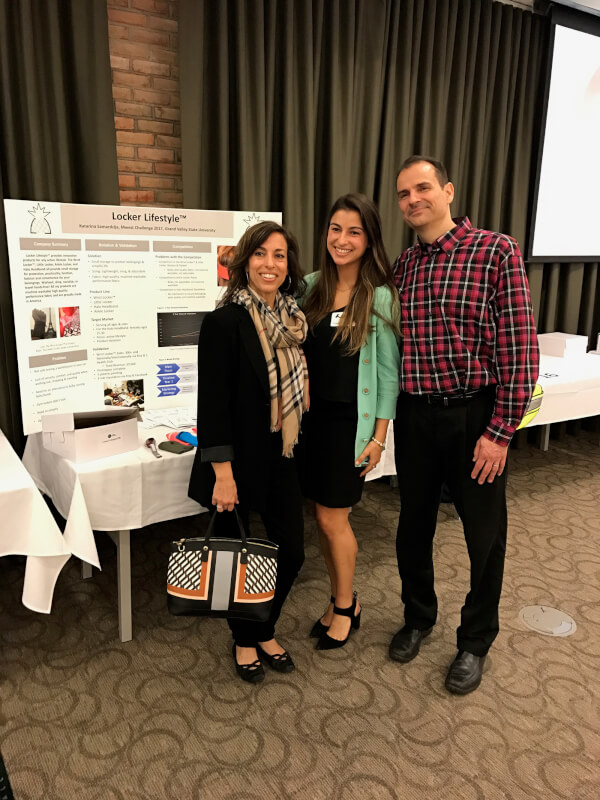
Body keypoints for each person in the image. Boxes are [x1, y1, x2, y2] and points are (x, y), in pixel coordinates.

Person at [390, 156, 539, 694]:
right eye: (404, 193)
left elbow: (521, 351)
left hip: (475, 415)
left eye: (423, 188)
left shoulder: (496, 252)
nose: (413, 200)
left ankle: (475, 641)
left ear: (448, 191)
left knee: (484, 536)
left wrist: (500, 432)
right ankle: (418, 617)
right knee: (413, 527)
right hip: (415, 417)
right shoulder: (401, 268)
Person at [188, 221, 308, 683]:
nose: (270, 264)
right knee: (239, 556)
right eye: (260, 254)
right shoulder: (224, 322)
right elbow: (212, 403)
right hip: (237, 460)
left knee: (291, 553)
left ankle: (264, 625)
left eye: (279, 255)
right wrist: (222, 472)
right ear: (243, 262)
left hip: (283, 453)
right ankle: (245, 637)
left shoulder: (295, 322)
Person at [300, 193, 400, 650]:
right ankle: (345, 598)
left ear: (369, 239)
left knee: (332, 518)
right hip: (308, 423)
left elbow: (386, 375)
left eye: (354, 232)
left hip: (350, 425)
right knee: (321, 519)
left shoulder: (378, 295)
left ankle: (345, 606)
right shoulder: (309, 286)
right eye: (336, 229)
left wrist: (378, 438)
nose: (342, 239)